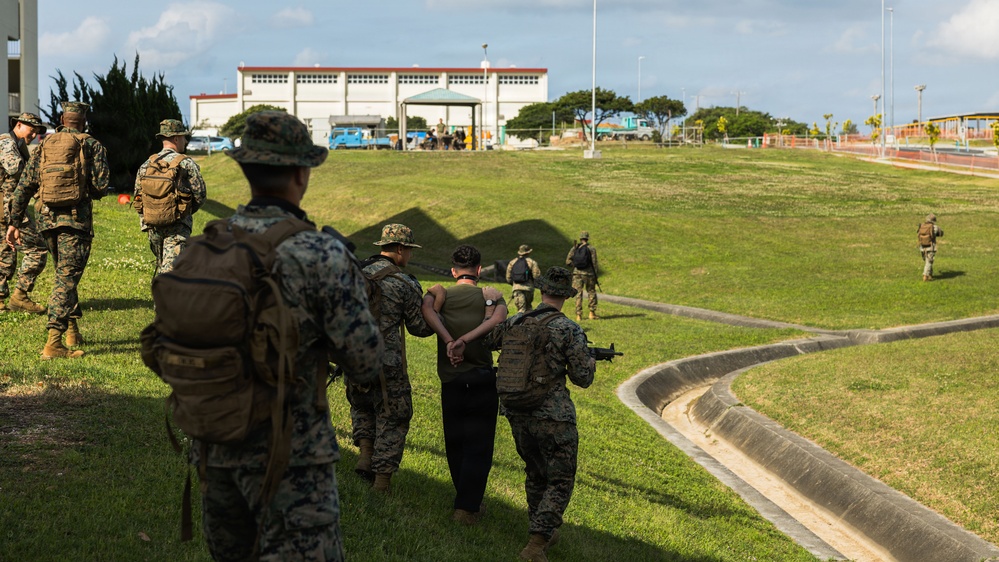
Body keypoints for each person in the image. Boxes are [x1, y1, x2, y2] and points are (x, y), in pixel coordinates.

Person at [195, 110, 383, 561]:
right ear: (302, 172)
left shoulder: (210, 242)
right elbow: (366, 362)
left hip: (215, 445)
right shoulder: (320, 253)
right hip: (290, 453)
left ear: (245, 169)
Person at [484, 267, 595, 562]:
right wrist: (590, 359)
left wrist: (491, 306)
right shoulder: (569, 329)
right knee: (560, 479)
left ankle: (541, 529)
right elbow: (583, 378)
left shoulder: (516, 321)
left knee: (535, 473)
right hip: (553, 416)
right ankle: (535, 544)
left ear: (541, 291)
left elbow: (489, 339)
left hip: (517, 410)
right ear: (567, 296)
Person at [6, 101, 109, 358]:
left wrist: (13, 221)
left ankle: (72, 330)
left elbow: (25, 186)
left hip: (46, 221)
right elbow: (101, 188)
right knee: (66, 279)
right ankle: (54, 342)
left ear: (63, 119)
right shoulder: (92, 144)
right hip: (76, 223)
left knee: (65, 273)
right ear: (83, 121)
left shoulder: (44, 145)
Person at [421, 244, 508, 525]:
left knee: (455, 441)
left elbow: (427, 311)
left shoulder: (438, 296)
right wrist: (466, 340)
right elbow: (499, 319)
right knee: (479, 446)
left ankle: (464, 501)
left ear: (453, 271)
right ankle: (467, 507)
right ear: (479, 270)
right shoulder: (490, 296)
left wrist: (449, 340)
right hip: (482, 379)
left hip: (451, 380)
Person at [348, 223, 434, 493]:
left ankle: (365, 456)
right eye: (408, 250)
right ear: (399, 249)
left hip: (353, 354)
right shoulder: (404, 283)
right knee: (395, 415)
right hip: (387, 362)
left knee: (362, 404)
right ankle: (382, 481)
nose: (409, 256)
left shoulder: (355, 273)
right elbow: (420, 329)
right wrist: (435, 305)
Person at [133, 119, 207, 275]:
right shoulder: (186, 164)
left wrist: (151, 215)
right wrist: (183, 211)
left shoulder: (147, 164)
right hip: (178, 225)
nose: (185, 141)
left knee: (163, 265)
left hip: (153, 224)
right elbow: (200, 195)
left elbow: (137, 196)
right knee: (171, 270)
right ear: (175, 138)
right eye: (184, 137)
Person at [0, 112, 47, 314]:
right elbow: (17, 170)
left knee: (6, 252)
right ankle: (20, 296)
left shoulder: (19, 145)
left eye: (37, 131)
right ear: (18, 125)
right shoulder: (6, 143)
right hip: (9, 206)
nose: (34, 133)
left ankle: (1, 299)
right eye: (31, 128)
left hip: (8, 206)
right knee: (37, 249)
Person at [565, 231, 599, 321]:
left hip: (577, 274)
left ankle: (578, 315)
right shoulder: (591, 249)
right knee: (591, 292)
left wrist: (575, 265)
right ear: (587, 238)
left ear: (580, 238)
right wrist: (595, 275)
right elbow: (594, 263)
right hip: (589, 274)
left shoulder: (575, 248)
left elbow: (567, 261)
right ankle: (592, 313)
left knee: (578, 293)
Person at [506, 244, 542, 313]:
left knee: (521, 310)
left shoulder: (512, 262)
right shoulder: (532, 262)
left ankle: (519, 323)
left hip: (517, 288)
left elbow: (508, 278)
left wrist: (515, 284)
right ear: (528, 252)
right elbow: (537, 276)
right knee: (528, 308)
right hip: (528, 289)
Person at [918, 213, 944, 282]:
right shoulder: (934, 227)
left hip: (922, 247)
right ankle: (925, 276)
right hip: (930, 247)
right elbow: (941, 233)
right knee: (929, 262)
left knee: (927, 261)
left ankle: (930, 275)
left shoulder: (921, 226)